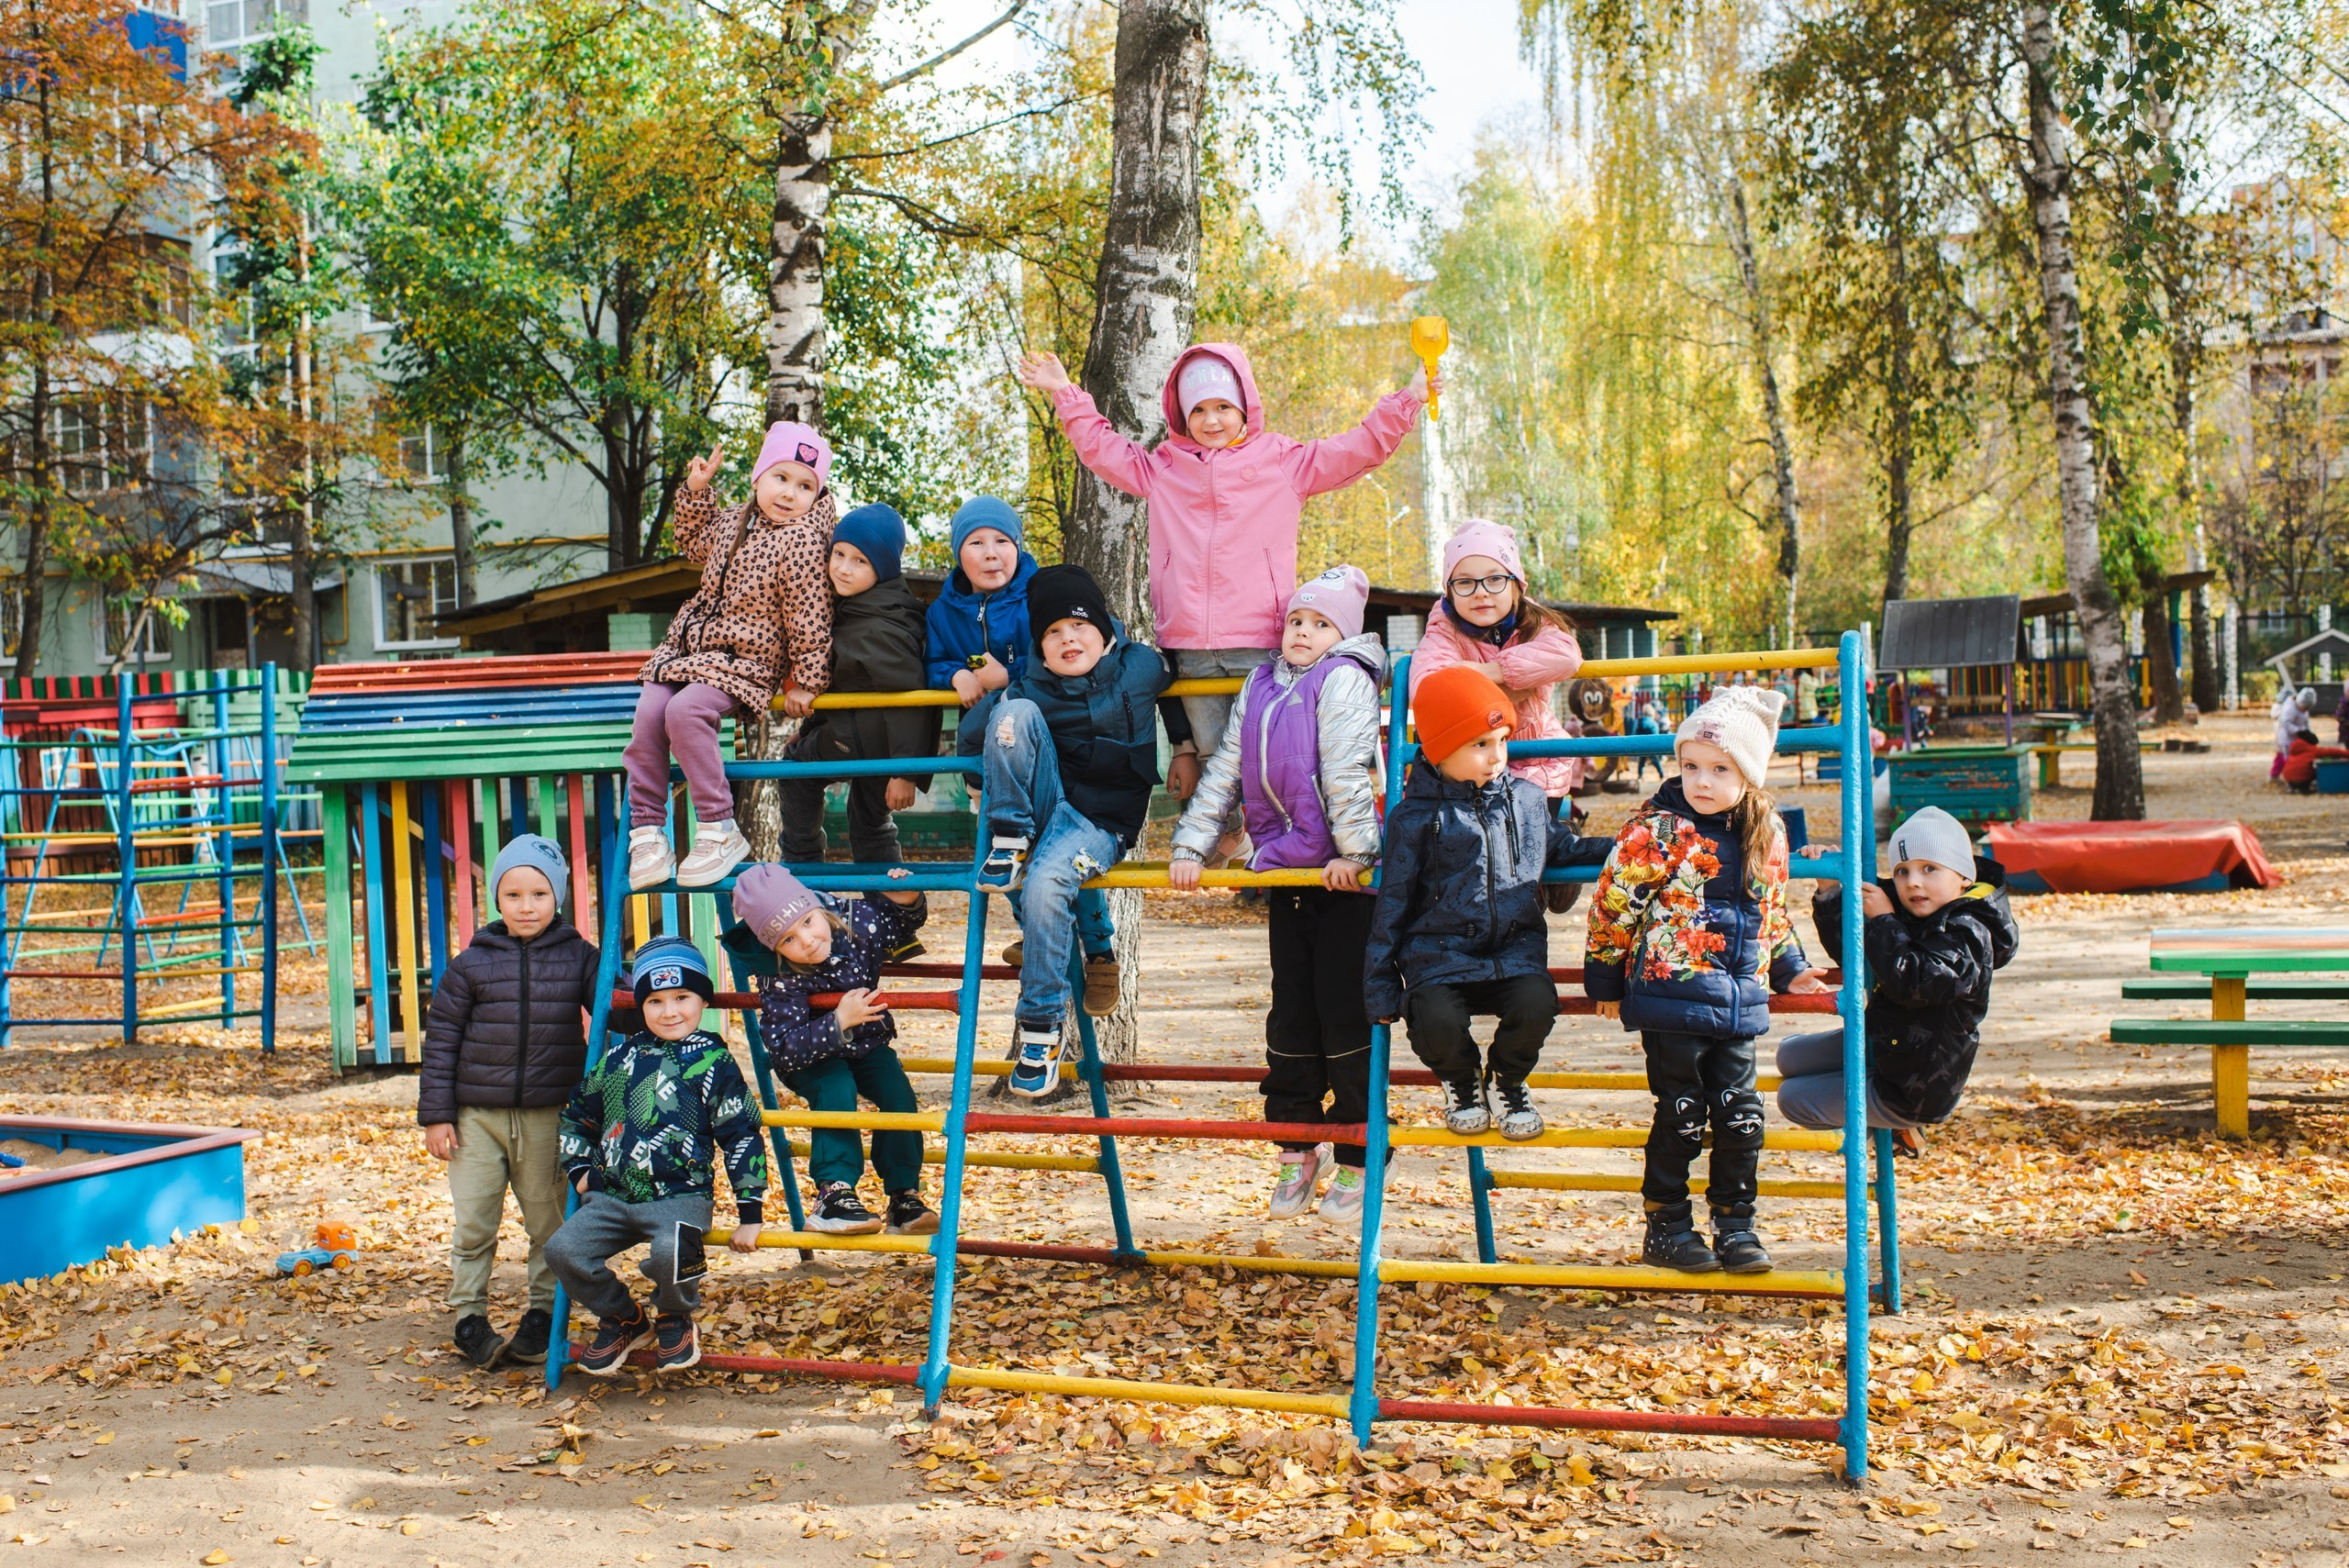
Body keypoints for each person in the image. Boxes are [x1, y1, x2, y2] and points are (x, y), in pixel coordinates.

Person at [1015, 343, 1428, 860]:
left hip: (1258, 636)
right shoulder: (1166, 467)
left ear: (1245, 407)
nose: (1211, 420)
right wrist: (1065, 393)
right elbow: (1104, 450)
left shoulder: (1283, 461)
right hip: (1189, 639)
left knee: (1272, 747)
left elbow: (1358, 448)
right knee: (1213, 749)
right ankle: (1227, 828)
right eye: (1199, 410)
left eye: (1222, 407)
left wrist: (1409, 399)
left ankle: (1289, 834)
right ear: (1183, 416)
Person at [1585, 686, 1831, 1276]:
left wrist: (1791, 969)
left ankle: (1736, 1224)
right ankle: (1666, 1224)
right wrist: (1604, 980)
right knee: (1683, 1111)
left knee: (1741, 1113)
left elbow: (1772, 911)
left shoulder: (1766, 830)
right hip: (1672, 993)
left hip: (1739, 999)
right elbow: (1615, 903)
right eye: (1690, 765)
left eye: (1720, 769)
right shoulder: (1658, 830)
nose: (1702, 780)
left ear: (1748, 773)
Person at [1167, 567, 1386, 1221]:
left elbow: (1347, 767)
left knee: (1343, 1013)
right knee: (1290, 1013)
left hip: (1339, 877)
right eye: (1297, 620)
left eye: (1320, 624)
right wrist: (1191, 844)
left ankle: (1358, 1151)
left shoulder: (1344, 678)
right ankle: (1296, 1145)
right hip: (1286, 871)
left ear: (1341, 635)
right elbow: (1227, 768)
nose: (1304, 631)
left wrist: (1357, 853)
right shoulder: (1260, 683)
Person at [960, 564, 1187, 1095]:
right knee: (1013, 715)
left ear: (1106, 634)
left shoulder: (1139, 667)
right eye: (1053, 632)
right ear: (1039, 647)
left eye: (1079, 627)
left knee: (1044, 885)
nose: (1067, 639)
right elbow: (980, 732)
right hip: (1045, 806)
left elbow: (1180, 682)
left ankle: (1041, 1028)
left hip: (1098, 824)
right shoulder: (1028, 685)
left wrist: (1185, 747)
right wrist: (979, 705)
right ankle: (1009, 837)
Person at [1364, 664, 1610, 1148]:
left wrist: (1628, 844)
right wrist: (1379, 984)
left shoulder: (1526, 800)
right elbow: (1391, 902)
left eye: (1501, 740)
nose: (1497, 756)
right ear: (1439, 749)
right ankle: (1461, 1082)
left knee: (1538, 1004)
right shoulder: (1414, 818)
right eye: (1480, 744)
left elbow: (1563, 847)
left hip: (1514, 952)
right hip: (1439, 957)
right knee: (1432, 1017)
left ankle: (1506, 1080)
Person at [417, 834, 603, 1370]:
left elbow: (621, 1006)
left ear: (558, 898)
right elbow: (443, 1040)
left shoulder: (580, 958)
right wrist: (436, 1114)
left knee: (548, 1223)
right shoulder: (472, 964)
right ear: (497, 899)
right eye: (514, 894)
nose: (527, 906)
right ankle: (468, 1318)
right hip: (476, 1117)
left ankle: (543, 1315)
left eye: (539, 894)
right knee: (475, 1220)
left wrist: (658, 988)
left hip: (550, 1115)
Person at [627, 425, 835, 891]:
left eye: (805, 486)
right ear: (758, 477)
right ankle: (648, 831)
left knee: (685, 712)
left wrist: (806, 681)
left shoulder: (802, 541)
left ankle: (719, 827)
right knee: (648, 715)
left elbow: (811, 620)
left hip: (748, 659)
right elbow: (693, 539)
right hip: (688, 651)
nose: (790, 493)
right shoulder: (736, 521)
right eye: (781, 477)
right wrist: (697, 491)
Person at [548, 938, 767, 1375]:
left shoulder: (713, 1061)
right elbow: (577, 1115)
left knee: (673, 1251)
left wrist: (750, 1210)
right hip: (613, 1196)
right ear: (641, 1005)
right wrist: (580, 1170)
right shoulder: (618, 1058)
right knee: (563, 1250)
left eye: (682, 998)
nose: (670, 1012)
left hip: (680, 1196)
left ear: (702, 998)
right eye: (655, 1000)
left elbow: (740, 1133)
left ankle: (674, 1315)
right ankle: (624, 1318)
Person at [1781, 807, 2019, 1154]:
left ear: (1964, 877)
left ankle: (1893, 1125)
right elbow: (1854, 954)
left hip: (1915, 1087)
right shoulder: (1911, 910)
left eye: (1930, 869)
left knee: (1792, 1099)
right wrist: (1830, 891)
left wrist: (1884, 921)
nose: (1913, 882)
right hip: (1886, 1043)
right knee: (1789, 1056)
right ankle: (1886, 1125)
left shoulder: (1970, 933)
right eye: (1902, 871)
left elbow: (1916, 981)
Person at [729, 863, 940, 1237]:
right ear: (774, 947)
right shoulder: (777, 970)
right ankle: (834, 1193)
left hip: (867, 1044)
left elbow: (902, 924)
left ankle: (903, 1195)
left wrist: (906, 898)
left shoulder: (858, 922)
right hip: (809, 1056)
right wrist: (838, 1021)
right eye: (788, 940)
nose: (806, 941)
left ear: (817, 908)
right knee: (835, 1086)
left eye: (808, 922)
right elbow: (784, 1048)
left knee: (897, 1092)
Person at [779, 503, 941, 875]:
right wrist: (807, 732)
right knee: (869, 825)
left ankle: (804, 874)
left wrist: (906, 772)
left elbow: (908, 698)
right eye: (839, 554)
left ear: (882, 569)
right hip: (867, 738)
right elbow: (840, 686)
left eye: (860, 561)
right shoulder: (859, 609)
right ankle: (892, 916)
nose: (844, 568)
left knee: (796, 775)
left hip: (864, 741)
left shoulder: (879, 624)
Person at [1408, 519, 1586, 806]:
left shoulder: (1534, 622)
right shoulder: (1444, 631)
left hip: (1538, 763)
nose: (1481, 592)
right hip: (1475, 771)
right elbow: (1427, 688)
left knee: (1532, 846)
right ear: (1450, 592)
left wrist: (1489, 672)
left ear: (1515, 584)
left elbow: (1566, 655)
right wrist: (1509, 692)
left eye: (1494, 579)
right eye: (1465, 582)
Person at [2281, 728, 2349, 794]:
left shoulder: (2294, 749)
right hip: (2302, 778)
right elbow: (2332, 751)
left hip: (2288, 778)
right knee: (2320, 769)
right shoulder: (2312, 750)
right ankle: (2304, 787)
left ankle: (2294, 787)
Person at [2273, 686, 2317, 781]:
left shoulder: (2304, 710)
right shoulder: (2290, 707)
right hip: (2287, 738)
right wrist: (2298, 731)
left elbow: (2305, 723)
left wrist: (2308, 734)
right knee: (2288, 759)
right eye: (2304, 707)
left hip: (2298, 739)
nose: (2305, 710)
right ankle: (2290, 778)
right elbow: (2285, 723)